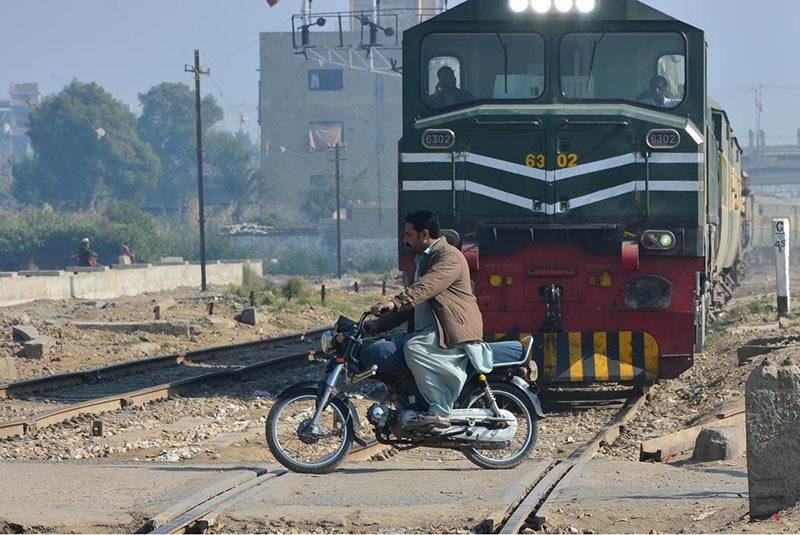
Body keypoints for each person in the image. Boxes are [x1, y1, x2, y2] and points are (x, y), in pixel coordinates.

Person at [361, 211, 492, 429]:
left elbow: (427, 287)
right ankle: (410, 403)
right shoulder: (423, 259)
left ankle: (440, 411)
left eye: (408, 235)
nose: (404, 240)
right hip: (431, 331)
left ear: (424, 234)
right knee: (390, 349)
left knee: (414, 348)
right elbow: (411, 307)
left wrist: (395, 301)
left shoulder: (448, 257)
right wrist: (376, 326)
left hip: (451, 332)